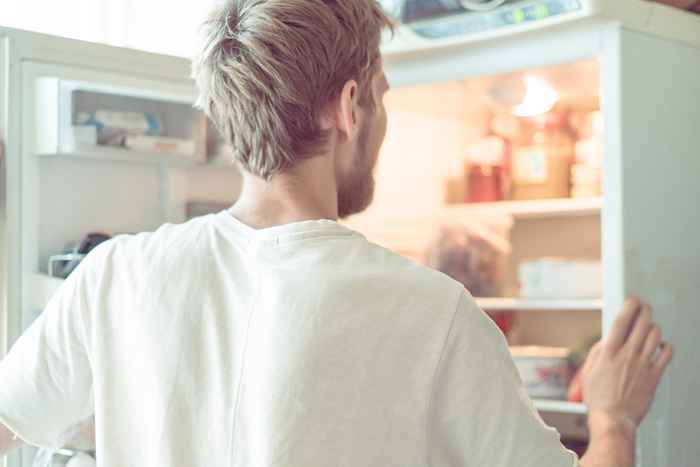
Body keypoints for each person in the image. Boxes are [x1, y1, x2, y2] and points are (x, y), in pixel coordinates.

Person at [0, 1, 673, 466]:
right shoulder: (432, 311)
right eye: (380, 93)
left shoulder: (115, 274)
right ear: (349, 106)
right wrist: (613, 417)